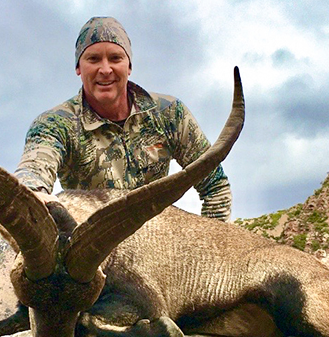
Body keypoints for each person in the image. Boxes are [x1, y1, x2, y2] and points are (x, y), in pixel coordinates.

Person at [15, 16, 232, 221]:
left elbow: (215, 185)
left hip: (162, 246)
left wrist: (213, 252)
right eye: (93, 59)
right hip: (95, 253)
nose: (106, 69)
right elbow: (34, 167)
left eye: (115, 58)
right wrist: (34, 193)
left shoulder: (169, 113)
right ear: (78, 68)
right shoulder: (55, 124)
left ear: (129, 66)